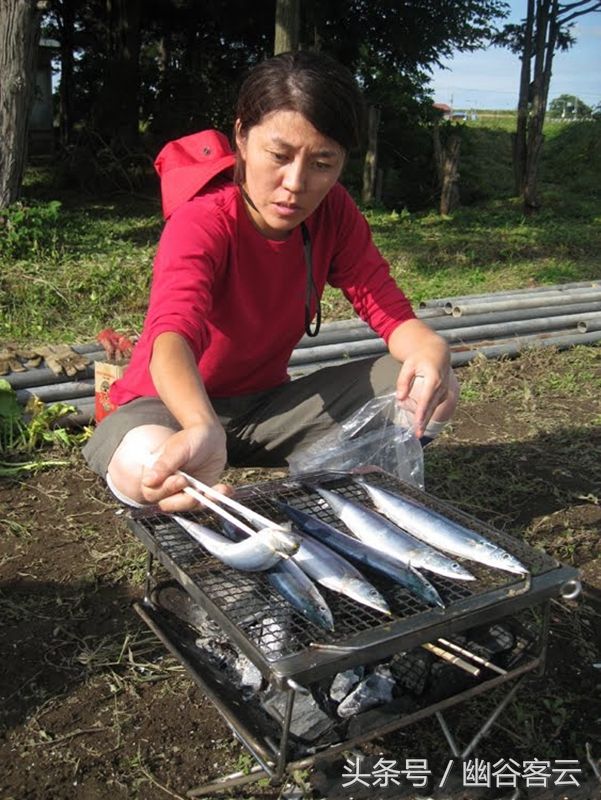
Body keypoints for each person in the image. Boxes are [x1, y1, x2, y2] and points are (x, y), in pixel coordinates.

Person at [83, 50, 459, 512]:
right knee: (145, 465)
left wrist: (428, 348)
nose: (296, 183)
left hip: (268, 408)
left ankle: (352, 500)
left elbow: (385, 307)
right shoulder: (203, 221)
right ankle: (186, 480)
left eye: (323, 163)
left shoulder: (334, 212)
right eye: (279, 156)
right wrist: (202, 425)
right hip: (171, 409)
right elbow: (172, 335)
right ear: (242, 135)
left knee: (431, 387)